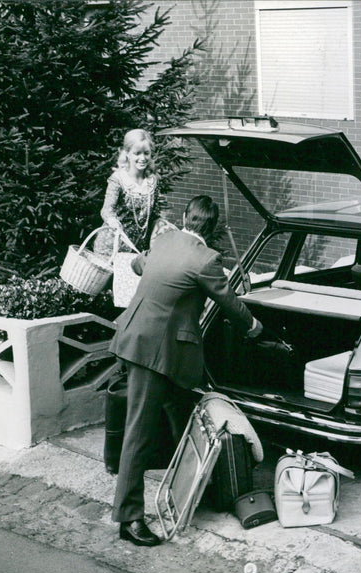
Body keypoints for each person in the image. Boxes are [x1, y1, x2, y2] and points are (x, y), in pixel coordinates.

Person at [109, 195, 263, 546]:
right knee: (138, 434)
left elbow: (138, 265)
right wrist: (253, 327)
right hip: (155, 352)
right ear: (212, 228)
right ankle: (128, 518)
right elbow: (229, 302)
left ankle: (194, 486)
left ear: (184, 217)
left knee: (181, 414)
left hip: (138, 338)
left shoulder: (163, 241)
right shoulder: (206, 259)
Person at [94, 129, 169, 256]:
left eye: (146, 153)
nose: (142, 158)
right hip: (111, 249)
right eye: (137, 153)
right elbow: (106, 210)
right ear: (127, 153)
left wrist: (164, 226)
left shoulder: (153, 181)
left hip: (137, 249)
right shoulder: (118, 179)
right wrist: (113, 222)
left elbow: (154, 215)